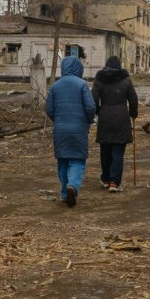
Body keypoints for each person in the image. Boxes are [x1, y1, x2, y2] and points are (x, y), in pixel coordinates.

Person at [45, 54, 95, 207]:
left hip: (60, 129)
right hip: (79, 128)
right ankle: (72, 185)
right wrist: (88, 120)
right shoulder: (82, 85)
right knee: (77, 160)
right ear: (79, 68)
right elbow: (91, 107)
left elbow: (49, 109)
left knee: (63, 161)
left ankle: (65, 193)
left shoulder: (55, 86)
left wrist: (58, 121)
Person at [92, 55, 138, 191]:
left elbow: (93, 99)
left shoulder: (99, 80)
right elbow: (133, 99)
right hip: (121, 118)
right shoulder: (125, 80)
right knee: (118, 150)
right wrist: (133, 113)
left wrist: (99, 111)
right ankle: (114, 182)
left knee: (105, 150)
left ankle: (106, 178)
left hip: (105, 118)